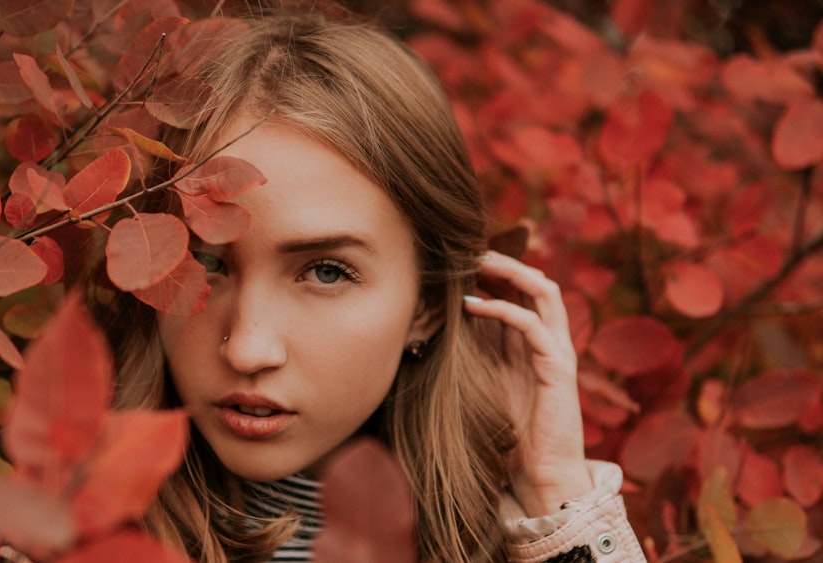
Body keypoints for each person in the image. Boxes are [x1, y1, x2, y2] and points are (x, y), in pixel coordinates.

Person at [91, 10, 646, 563]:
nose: (248, 348)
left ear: (426, 305)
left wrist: (555, 493)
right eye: (206, 262)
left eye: (327, 271)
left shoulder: (512, 542)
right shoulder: (63, 534)